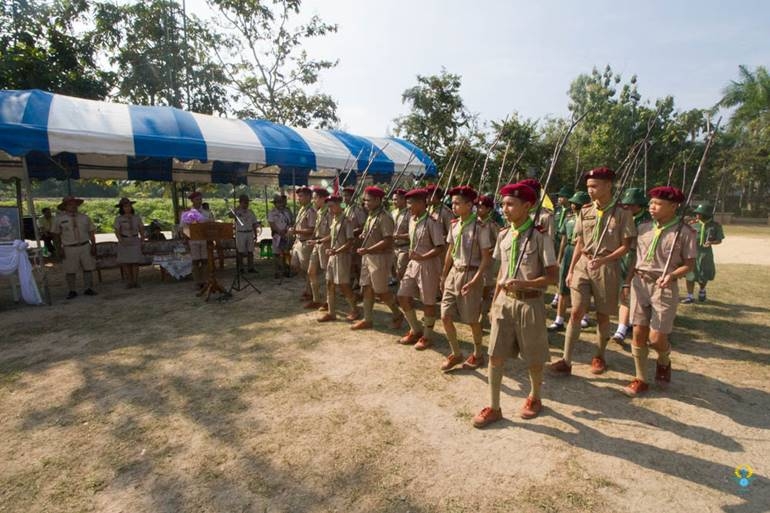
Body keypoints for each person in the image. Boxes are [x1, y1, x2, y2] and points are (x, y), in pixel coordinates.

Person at [472, 183, 558, 427]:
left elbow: (552, 277)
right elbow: (501, 271)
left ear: (527, 206)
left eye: (510, 204)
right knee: (495, 355)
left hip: (530, 303)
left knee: (533, 357)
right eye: (503, 204)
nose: (505, 209)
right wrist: (494, 303)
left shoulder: (540, 236)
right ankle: (494, 407)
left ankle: (535, 397)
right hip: (504, 303)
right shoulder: (503, 235)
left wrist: (524, 283)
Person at [549, 167, 636, 377]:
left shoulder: (622, 213)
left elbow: (625, 246)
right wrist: (571, 270)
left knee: (602, 315)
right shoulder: (585, 210)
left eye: (594, 186)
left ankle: (599, 355)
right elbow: (579, 242)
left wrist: (604, 260)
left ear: (608, 186)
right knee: (576, 312)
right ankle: (566, 360)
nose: (590, 190)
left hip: (606, 266)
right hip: (583, 265)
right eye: (588, 186)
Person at [622, 186, 697, 396]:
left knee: (656, 338)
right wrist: (627, 283)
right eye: (651, 203)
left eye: (658, 204)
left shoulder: (685, 232)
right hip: (640, 283)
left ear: (673, 206)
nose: (652, 207)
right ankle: (640, 379)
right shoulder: (643, 228)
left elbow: (689, 264)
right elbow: (635, 259)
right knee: (638, 332)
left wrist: (672, 275)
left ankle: (664, 359)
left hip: (664, 286)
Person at [439, 185, 493, 370]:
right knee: (445, 316)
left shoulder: (480, 227)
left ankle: (478, 354)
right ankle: (456, 353)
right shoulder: (454, 225)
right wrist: (444, 274)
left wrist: (475, 280)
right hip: (454, 273)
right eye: (452, 203)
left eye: (457, 203)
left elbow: (486, 257)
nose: (453, 206)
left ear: (470, 205)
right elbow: (450, 250)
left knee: (472, 319)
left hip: (471, 274)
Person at [396, 187, 445, 349]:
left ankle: (427, 336)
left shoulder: (432, 222)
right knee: (402, 296)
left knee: (428, 301)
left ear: (421, 203)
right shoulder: (412, 220)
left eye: (411, 203)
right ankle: (415, 329)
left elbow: (439, 247)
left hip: (428, 264)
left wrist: (423, 256)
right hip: (413, 264)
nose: (408, 206)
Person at [351, 186, 404, 331]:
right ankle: (367, 319)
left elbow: (388, 240)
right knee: (366, 288)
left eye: (368, 200)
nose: (365, 203)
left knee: (381, 291)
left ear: (377, 200)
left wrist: (369, 249)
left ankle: (398, 314)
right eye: (364, 200)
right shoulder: (371, 215)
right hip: (368, 256)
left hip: (380, 257)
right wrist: (364, 236)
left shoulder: (384, 217)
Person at [610, 187, 651, 344]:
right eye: (625, 204)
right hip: (621, 257)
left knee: (638, 296)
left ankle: (632, 327)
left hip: (640, 259)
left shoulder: (648, 221)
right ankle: (622, 327)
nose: (626, 207)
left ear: (639, 205)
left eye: (630, 204)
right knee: (624, 293)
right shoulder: (622, 216)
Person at [548, 191, 591, 332]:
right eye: (573, 203)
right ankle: (559, 320)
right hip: (569, 249)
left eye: (577, 203)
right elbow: (564, 239)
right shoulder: (569, 218)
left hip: (583, 252)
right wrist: (560, 257)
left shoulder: (591, 219)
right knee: (563, 286)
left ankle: (585, 316)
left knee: (582, 287)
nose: (573, 206)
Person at [317, 195, 360, 322]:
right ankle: (331, 312)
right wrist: (320, 241)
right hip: (333, 255)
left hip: (342, 256)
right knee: (329, 283)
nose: (329, 209)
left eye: (331, 206)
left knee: (343, 285)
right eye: (328, 206)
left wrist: (336, 250)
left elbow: (350, 242)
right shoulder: (334, 219)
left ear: (339, 205)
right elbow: (332, 236)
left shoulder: (347, 221)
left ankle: (354, 309)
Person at [51, 196, 97, 299]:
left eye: (75, 204)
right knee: (70, 270)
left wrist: (93, 245)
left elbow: (91, 232)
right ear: (65, 206)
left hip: (85, 245)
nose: (73, 206)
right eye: (70, 204)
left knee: (88, 268)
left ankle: (88, 288)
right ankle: (72, 290)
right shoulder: (59, 219)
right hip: (69, 247)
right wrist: (59, 249)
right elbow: (56, 235)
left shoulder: (85, 217)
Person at [682, 204, 724, 303]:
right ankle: (690, 296)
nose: (697, 215)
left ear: (706, 214)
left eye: (699, 213)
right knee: (690, 274)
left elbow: (719, 240)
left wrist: (711, 242)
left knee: (703, 275)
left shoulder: (715, 226)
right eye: (696, 213)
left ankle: (702, 290)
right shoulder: (692, 224)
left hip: (705, 254)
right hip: (692, 252)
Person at [180, 191, 214, 290]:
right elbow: (183, 228)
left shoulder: (207, 213)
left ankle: (205, 281)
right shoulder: (187, 213)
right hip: (193, 240)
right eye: (197, 199)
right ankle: (197, 282)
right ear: (192, 201)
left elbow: (211, 226)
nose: (199, 201)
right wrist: (186, 239)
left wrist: (210, 239)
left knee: (205, 261)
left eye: (200, 199)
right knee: (195, 261)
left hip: (204, 240)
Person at [477, 194, 502, 323]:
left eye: (481, 207)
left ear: (488, 209)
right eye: (477, 206)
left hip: (487, 262)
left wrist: (488, 252)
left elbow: (499, 242)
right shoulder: (474, 223)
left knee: (485, 289)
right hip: (474, 261)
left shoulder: (492, 225)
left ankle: (483, 315)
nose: (478, 209)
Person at [288, 186, 317, 300]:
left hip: (306, 243)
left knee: (307, 269)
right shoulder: (302, 209)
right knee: (294, 265)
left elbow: (312, 230)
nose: (298, 198)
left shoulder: (311, 211)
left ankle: (310, 292)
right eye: (298, 196)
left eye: (301, 196)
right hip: (298, 242)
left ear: (309, 197)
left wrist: (296, 231)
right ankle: (308, 286)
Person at [306, 186, 331, 309]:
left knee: (327, 275)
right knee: (311, 271)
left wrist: (320, 240)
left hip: (325, 244)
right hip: (317, 244)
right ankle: (316, 299)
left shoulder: (329, 212)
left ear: (322, 198)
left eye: (315, 198)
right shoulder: (320, 212)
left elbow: (333, 234)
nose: (313, 200)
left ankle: (328, 301)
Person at [550, 186, 574, 308]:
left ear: (568, 198)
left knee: (564, 269)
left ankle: (560, 296)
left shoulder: (573, 211)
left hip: (567, 242)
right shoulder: (557, 210)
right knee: (555, 268)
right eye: (559, 196)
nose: (559, 198)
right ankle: (558, 294)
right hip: (556, 241)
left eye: (562, 196)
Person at [114, 197, 145, 289]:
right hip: (124, 240)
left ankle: (135, 281)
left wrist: (142, 239)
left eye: (129, 206)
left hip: (135, 239)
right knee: (125, 262)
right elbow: (117, 231)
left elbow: (141, 229)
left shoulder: (137, 218)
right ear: (122, 208)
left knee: (135, 262)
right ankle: (129, 281)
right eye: (125, 206)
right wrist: (120, 240)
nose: (127, 208)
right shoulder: (118, 219)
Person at [342, 186, 366, 287]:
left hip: (356, 241)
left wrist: (350, 233)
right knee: (350, 264)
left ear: (353, 197)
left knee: (357, 264)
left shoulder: (358, 210)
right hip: (347, 241)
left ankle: (361, 285)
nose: (345, 198)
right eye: (344, 195)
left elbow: (363, 227)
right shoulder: (345, 208)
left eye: (347, 196)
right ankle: (353, 284)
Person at [231, 194, 260, 273]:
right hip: (240, 233)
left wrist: (255, 234)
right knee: (240, 251)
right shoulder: (237, 211)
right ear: (240, 202)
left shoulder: (250, 212)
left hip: (249, 232)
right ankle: (241, 268)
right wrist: (236, 208)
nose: (246, 204)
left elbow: (254, 223)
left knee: (250, 251)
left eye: (247, 202)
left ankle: (251, 267)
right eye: (245, 202)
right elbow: (230, 215)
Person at [267, 194, 294, 278]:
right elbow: (272, 224)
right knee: (277, 254)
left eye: (281, 202)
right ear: (275, 203)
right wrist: (279, 232)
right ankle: (277, 271)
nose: (280, 204)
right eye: (278, 202)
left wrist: (286, 230)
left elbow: (291, 222)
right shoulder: (272, 212)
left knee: (286, 253)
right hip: (277, 235)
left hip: (286, 234)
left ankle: (287, 269)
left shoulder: (286, 212)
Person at [392, 188, 410, 283]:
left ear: (403, 199)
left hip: (405, 247)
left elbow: (413, 233)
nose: (393, 202)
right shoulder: (393, 213)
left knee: (401, 271)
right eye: (393, 199)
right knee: (397, 272)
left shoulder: (409, 213)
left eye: (396, 199)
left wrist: (399, 236)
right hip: (394, 247)